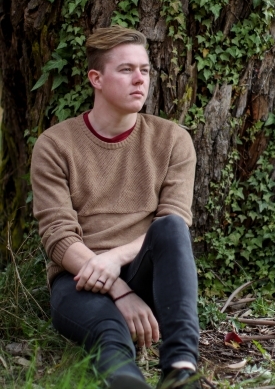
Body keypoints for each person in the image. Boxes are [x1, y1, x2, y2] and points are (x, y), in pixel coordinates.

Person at [31, 25, 201, 389]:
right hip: (78, 280)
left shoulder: (172, 140)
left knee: (171, 227)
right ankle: (125, 381)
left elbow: (173, 222)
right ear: (96, 78)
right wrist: (117, 290)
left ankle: (181, 370)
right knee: (110, 335)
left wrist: (114, 260)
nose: (140, 80)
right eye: (126, 70)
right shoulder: (55, 145)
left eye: (145, 70)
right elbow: (58, 237)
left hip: (148, 275)